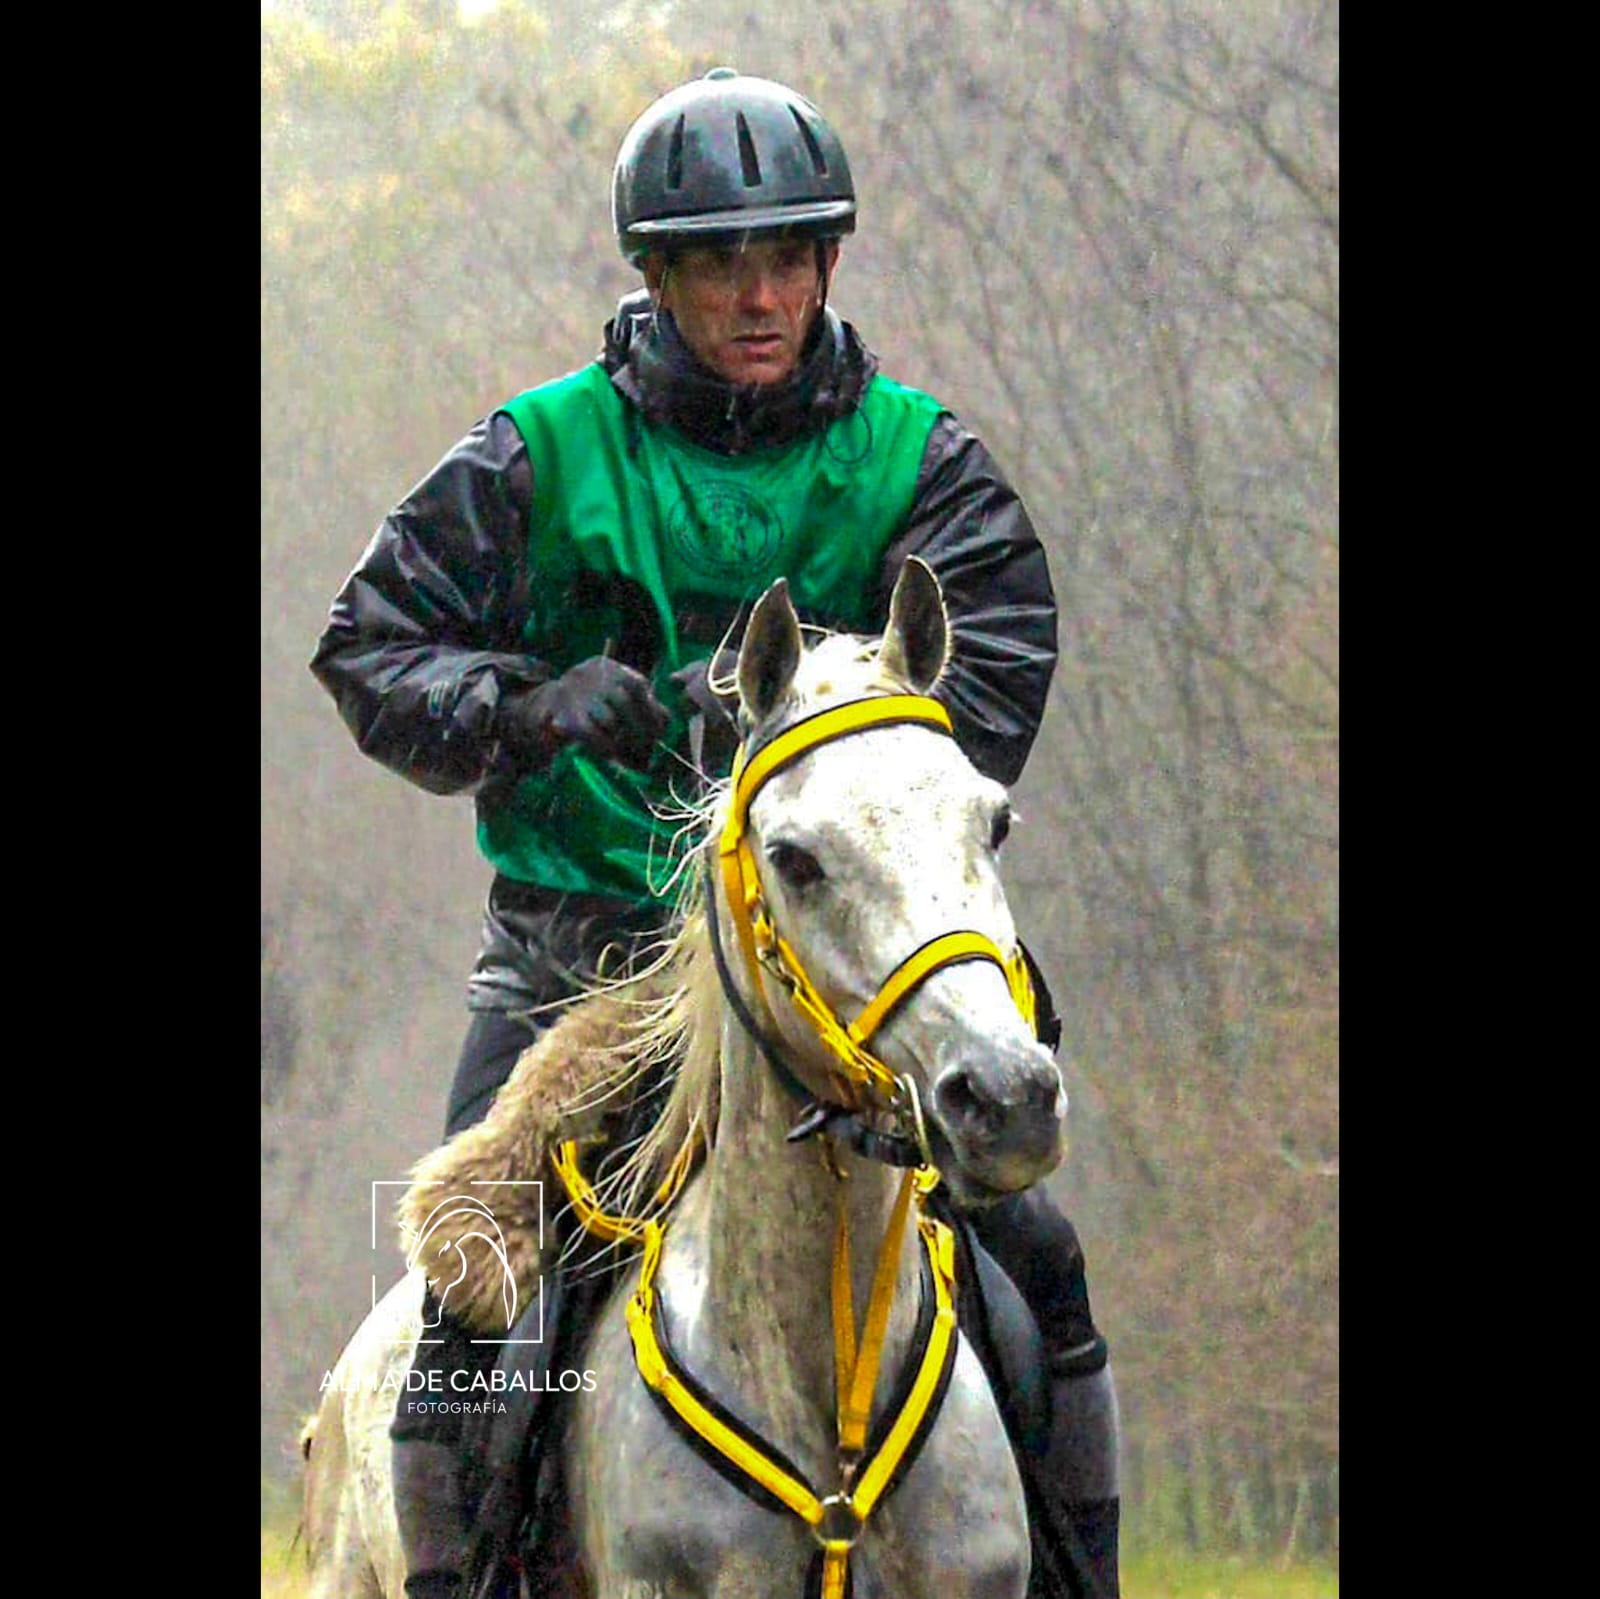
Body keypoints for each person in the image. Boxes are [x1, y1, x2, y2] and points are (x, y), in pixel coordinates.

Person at [311, 67, 1120, 1599]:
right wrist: (527, 705)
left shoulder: (915, 461)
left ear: (827, 266)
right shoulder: (538, 456)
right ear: (658, 279)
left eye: (787, 262)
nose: (758, 297)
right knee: (477, 1312)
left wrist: (823, 792)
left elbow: (993, 661)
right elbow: (369, 646)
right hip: (585, 970)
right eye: (717, 267)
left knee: (1038, 1273)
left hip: (854, 957)